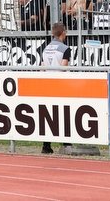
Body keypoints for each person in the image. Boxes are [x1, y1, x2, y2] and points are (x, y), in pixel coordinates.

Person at [40, 22, 71, 155]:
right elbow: (63, 69)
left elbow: (42, 69)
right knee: (64, 114)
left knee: (49, 115)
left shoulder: (46, 48)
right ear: (63, 32)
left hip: (47, 84)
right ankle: (66, 143)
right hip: (60, 85)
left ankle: (46, 145)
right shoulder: (65, 49)